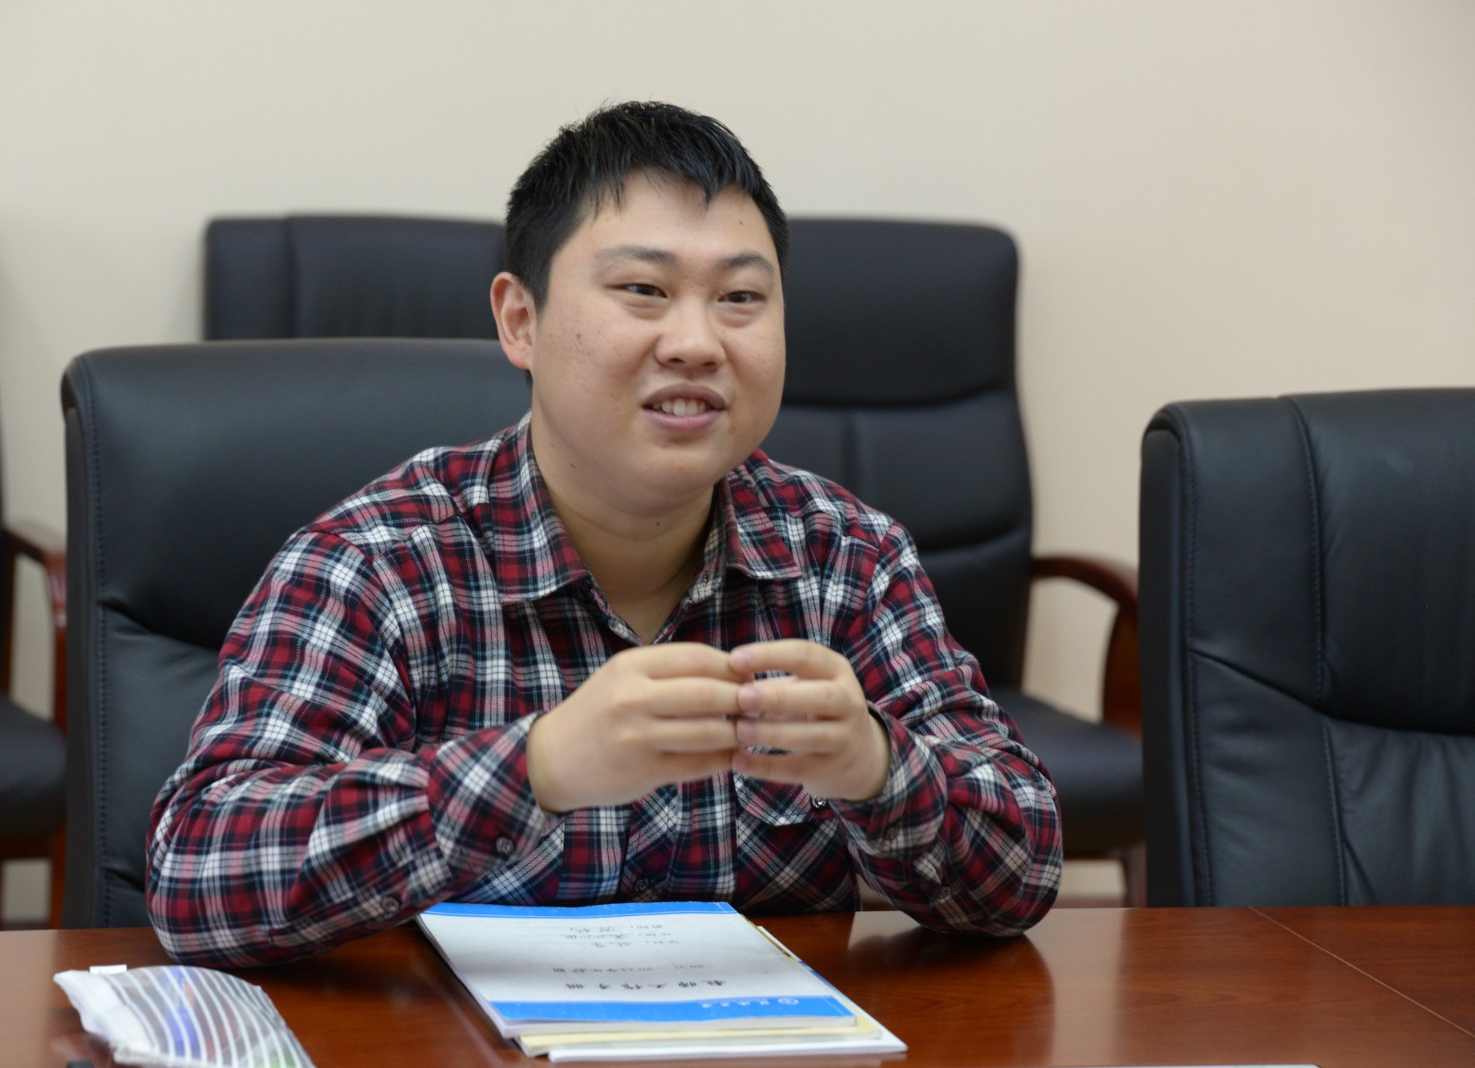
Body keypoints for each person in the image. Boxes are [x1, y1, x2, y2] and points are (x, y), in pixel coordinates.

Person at [147, 101, 1062, 966]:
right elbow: (197, 871)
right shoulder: (380, 561)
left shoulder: (845, 559)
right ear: (521, 320)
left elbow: (1026, 869)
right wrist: (536, 768)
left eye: (741, 298)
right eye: (643, 289)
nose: (698, 343)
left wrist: (878, 767)